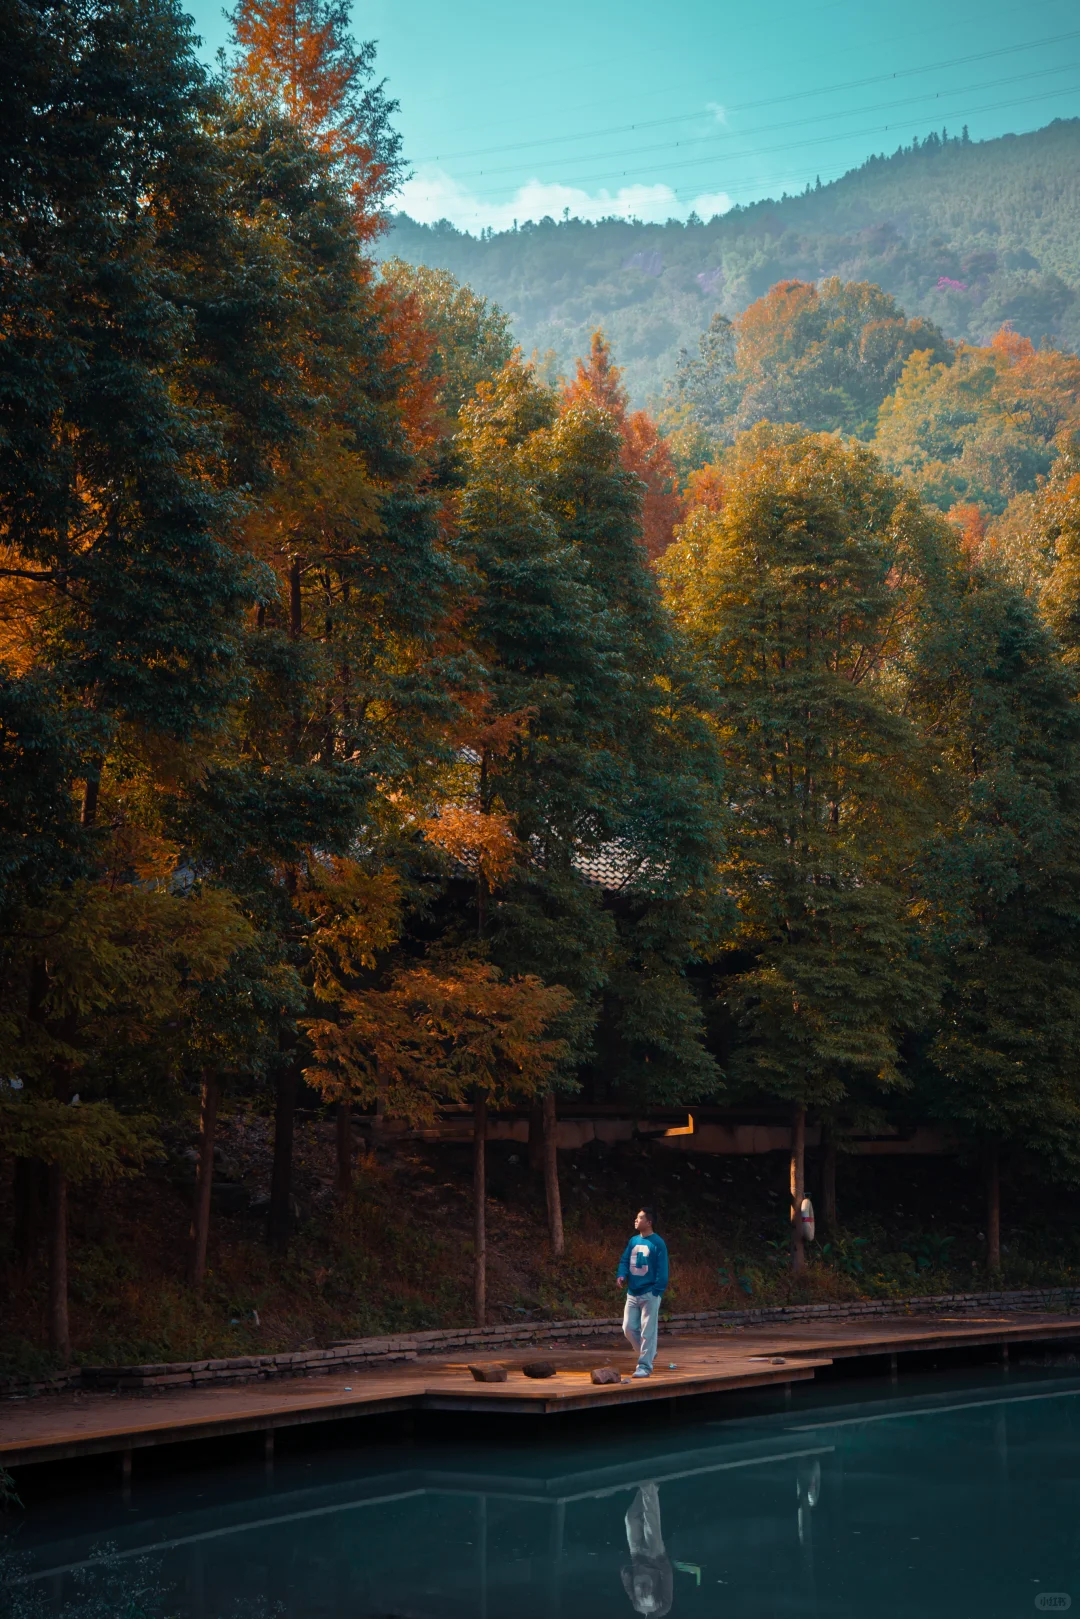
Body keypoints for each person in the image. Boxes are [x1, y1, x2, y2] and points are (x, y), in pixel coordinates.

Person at [616, 1205, 668, 1378]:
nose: (636, 1220)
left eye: (640, 1218)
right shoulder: (633, 1241)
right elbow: (624, 1260)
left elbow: (662, 1269)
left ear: (649, 1222)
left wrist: (656, 1291)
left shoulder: (658, 1243)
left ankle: (644, 1366)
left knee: (648, 1331)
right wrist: (621, 1275)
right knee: (628, 1328)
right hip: (632, 1292)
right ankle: (649, 1354)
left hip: (649, 1293)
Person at [620, 1482, 673, 1616]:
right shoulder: (663, 1607)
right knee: (650, 1518)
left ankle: (649, 1488)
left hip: (636, 1555)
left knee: (631, 1518)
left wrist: (625, 1576)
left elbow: (629, 1588)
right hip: (655, 1556)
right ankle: (648, 1486)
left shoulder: (637, 1607)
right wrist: (658, 1561)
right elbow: (667, 1576)